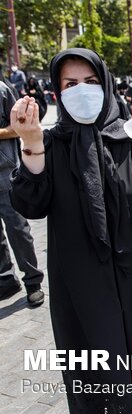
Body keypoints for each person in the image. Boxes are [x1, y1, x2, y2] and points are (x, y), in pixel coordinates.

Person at [9, 48, 132, 412]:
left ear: (105, 84)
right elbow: (30, 204)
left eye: (90, 81)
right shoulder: (51, 144)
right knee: (98, 377)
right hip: (82, 289)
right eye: (70, 83)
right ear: (56, 91)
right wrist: (31, 144)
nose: (81, 91)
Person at [0, 78, 45, 307]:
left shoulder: (2, 90)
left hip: (5, 174)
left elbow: (17, 128)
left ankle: (33, 282)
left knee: (18, 229)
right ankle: (6, 279)